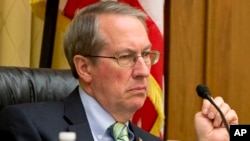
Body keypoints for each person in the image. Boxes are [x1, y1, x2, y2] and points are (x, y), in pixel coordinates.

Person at [0, 1, 238, 141]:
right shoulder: (29, 125)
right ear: (84, 67)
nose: (144, 71)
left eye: (146, 55)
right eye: (126, 57)